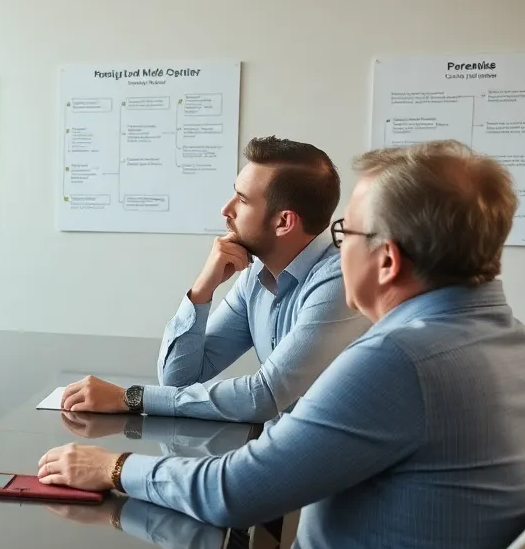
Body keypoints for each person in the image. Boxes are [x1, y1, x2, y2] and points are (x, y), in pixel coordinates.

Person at [37, 140, 525, 549]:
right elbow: (188, 385)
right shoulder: (514, 343)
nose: (338, 246)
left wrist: (112, 467)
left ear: (387, 261)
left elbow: (233, 491)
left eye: (346, 232)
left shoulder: (400, 359)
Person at [58, 136, 370, 424]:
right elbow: (179, 378)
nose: (226, 209)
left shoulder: (339, 281)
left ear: (284, 221)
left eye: (242, 200)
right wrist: (202, 290)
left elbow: (263, 397)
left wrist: (132, 398)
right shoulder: (254, 276)